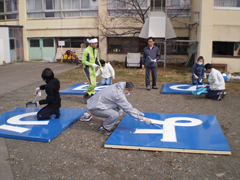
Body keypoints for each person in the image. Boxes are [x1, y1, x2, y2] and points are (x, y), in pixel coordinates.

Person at [80, 82, 152, 135]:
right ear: (126, 89)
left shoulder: (120, 85)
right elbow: (128, 109)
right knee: (115, 114)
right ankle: (104, 128)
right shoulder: (118, 95)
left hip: (99, 103)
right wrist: (143, 118)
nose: (130, 93)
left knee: (119, 109)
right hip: (95, 108)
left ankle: (111, 122)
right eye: (130, 91)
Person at [82, 37, 101, 103]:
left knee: (94, 83)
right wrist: (91, 64)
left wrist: (100, 67)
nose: (96, 44)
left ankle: (92, 94)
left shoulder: (95, 50)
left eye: (97, 43)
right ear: (91, 43)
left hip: (93, 68)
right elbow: (83, 61)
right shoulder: (86, 50)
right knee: (92, 84)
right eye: (95, 43)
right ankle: (87, 94)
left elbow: (97, 60)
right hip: (87, 68)